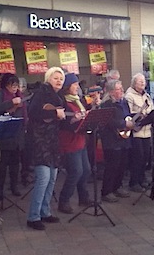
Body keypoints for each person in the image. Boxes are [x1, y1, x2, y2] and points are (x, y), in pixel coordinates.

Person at [26, 67, 66, 231]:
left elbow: (58, 119)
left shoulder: (58, 97)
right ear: (48, 78)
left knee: (52, 178)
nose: (59, 81)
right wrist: (54, 114)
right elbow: (33, 112)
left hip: (52, 141)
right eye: (56, 78)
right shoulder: (41, 93)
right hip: (39, 140)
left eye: (61, 79)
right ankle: (33, 216)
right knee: (43, 178)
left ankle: (45, 211)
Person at [57, 73, 92, 214]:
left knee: (86, 170)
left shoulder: (79, 100)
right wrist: (73, 121)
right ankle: (64, 200)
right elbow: (62, 123)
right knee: (76, 172)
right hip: (69, 141)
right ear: (68, 86)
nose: (77, 87)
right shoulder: (63, 102)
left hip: (80, 140)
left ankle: (83, 197)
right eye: (75, 84)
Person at [0, 74, 26, 200]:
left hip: (19, 131)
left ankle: (14, 186)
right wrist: (11, 102)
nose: (14, 88)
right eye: (12, 85)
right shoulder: (1, 94)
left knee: (16, 161)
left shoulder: (20, 95)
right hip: (6, 131)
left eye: (16, 85)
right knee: (4, 161)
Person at [99, 80, 133, 202]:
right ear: (112, 91)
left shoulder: (124, 102)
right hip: (111, 140)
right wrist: (124, 123)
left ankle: (117, 187)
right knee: (112, 166)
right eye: (119, 88)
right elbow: (109, 122)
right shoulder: (107, 104)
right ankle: (106, 191)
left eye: (121, 87)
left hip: (124, 138)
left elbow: (127, 114)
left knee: (122, 165)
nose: (122, 90)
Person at [125, 73, 154, 192]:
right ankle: (134, 182)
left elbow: (152, 108)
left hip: (147, 131)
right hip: (136, 131)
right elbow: (129, 112)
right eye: (139, 81)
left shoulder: (147, 95)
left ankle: (142, 179)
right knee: (138, 157)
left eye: (143, 81)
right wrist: (140, 115)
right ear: (134, 83)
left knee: (146, 156)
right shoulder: (129, 95)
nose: (142, 83)